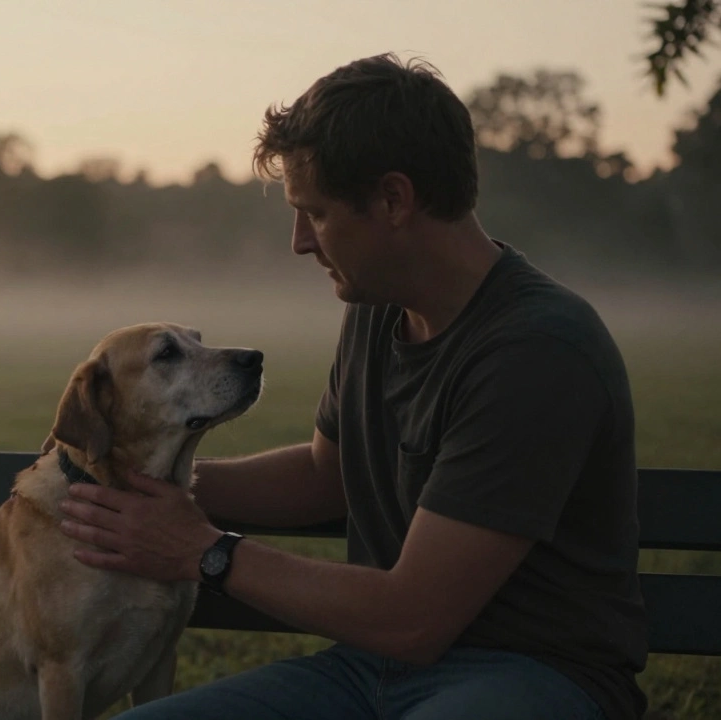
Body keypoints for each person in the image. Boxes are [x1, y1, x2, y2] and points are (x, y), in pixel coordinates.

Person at [56, 52, 649, 720]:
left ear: (394, 200)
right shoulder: (377, 305)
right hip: (369, 673)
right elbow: (325, 475)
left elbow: (414, 620)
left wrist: (204, 552)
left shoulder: (539, 350)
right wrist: (134, 484)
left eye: (315, 213)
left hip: (534, 676)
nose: (299, 242)